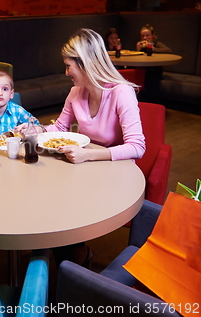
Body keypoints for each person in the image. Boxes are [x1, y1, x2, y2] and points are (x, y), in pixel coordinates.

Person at [42, 28, 146, 268]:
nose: (66, 72)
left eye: (69, 66)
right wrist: (36, 131)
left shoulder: (122, 93)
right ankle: (71, 258)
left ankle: (71, 260)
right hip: (85, 167)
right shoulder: (75, 93)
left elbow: (137, 147)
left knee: (63, 203)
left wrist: (88, 155)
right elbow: (60, 127)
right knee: (51, 195)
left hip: (116, 172)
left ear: (87, 63)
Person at [0, 70, 40, 137]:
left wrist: (30, 129)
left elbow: (36, 125)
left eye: (5, 89)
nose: (0, 93)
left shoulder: (17, 110)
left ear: (11, 94)